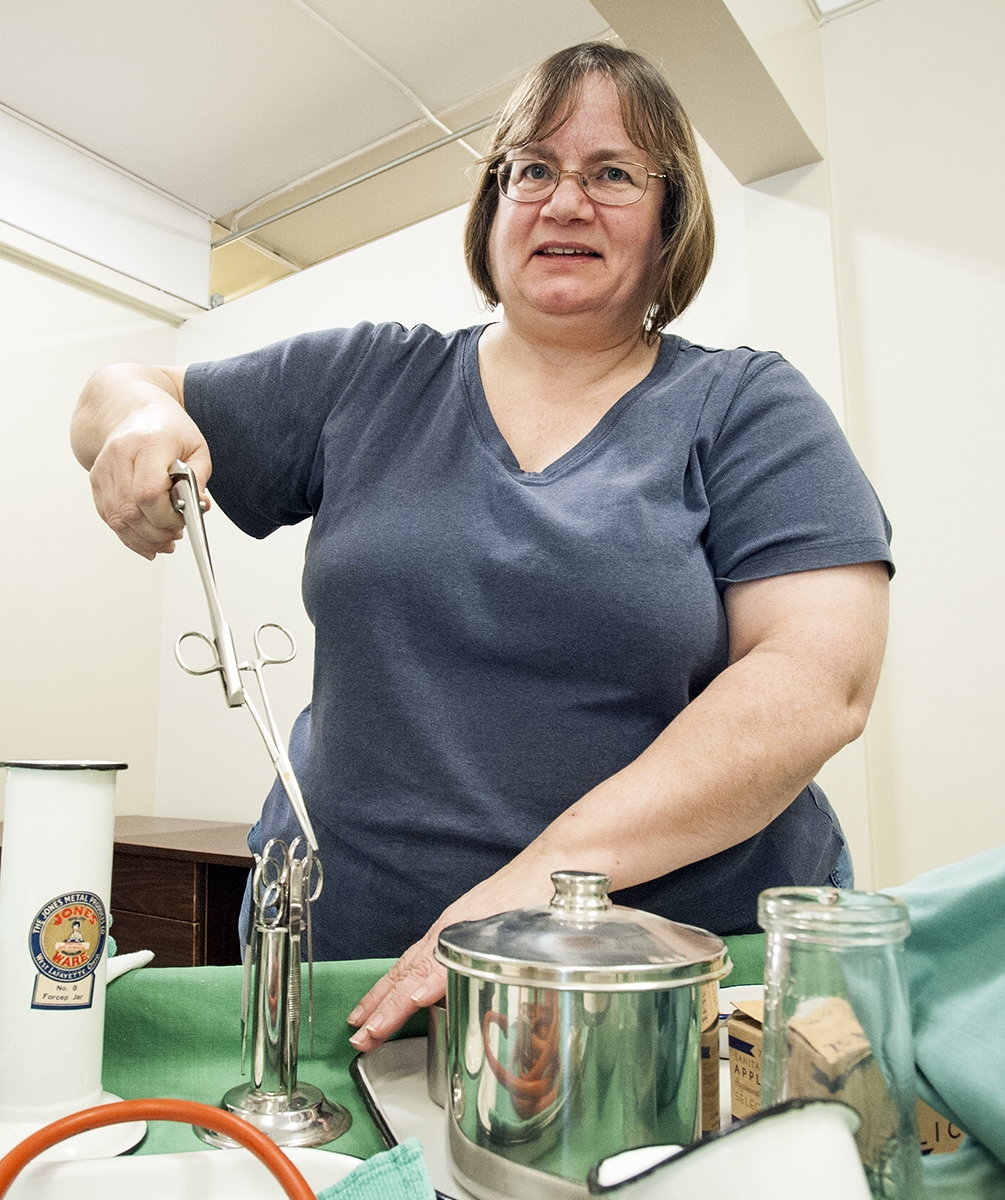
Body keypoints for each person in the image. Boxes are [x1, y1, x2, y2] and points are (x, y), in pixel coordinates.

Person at [71, 42, 892, 1051]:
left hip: (657, 981)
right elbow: (119, 387)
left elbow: (819, 681)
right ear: (493, 207)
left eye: (613, 173)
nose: (565, 201)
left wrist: (515, 905)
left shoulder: (744, 407)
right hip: (354, 966)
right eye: (533, 169)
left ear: (672, 217)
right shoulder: (368, 378)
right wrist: (137, 425)